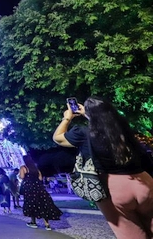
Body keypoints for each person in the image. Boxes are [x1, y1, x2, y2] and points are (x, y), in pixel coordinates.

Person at [53, 96, 153, 239]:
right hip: (144, 181)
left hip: (113, 189)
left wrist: (68, 118)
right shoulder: (124, 129)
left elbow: (58, 137)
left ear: (88, 114)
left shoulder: (84, 133)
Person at [19, 154, 62, 230]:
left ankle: (33, 222)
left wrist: (21, 176)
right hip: (38, 187)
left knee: (31, 204)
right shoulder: (35, 168)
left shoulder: (23, 167)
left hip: (29, 188)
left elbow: (22, 177)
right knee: (42, 204)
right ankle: (47, 224)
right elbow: (40, 178)